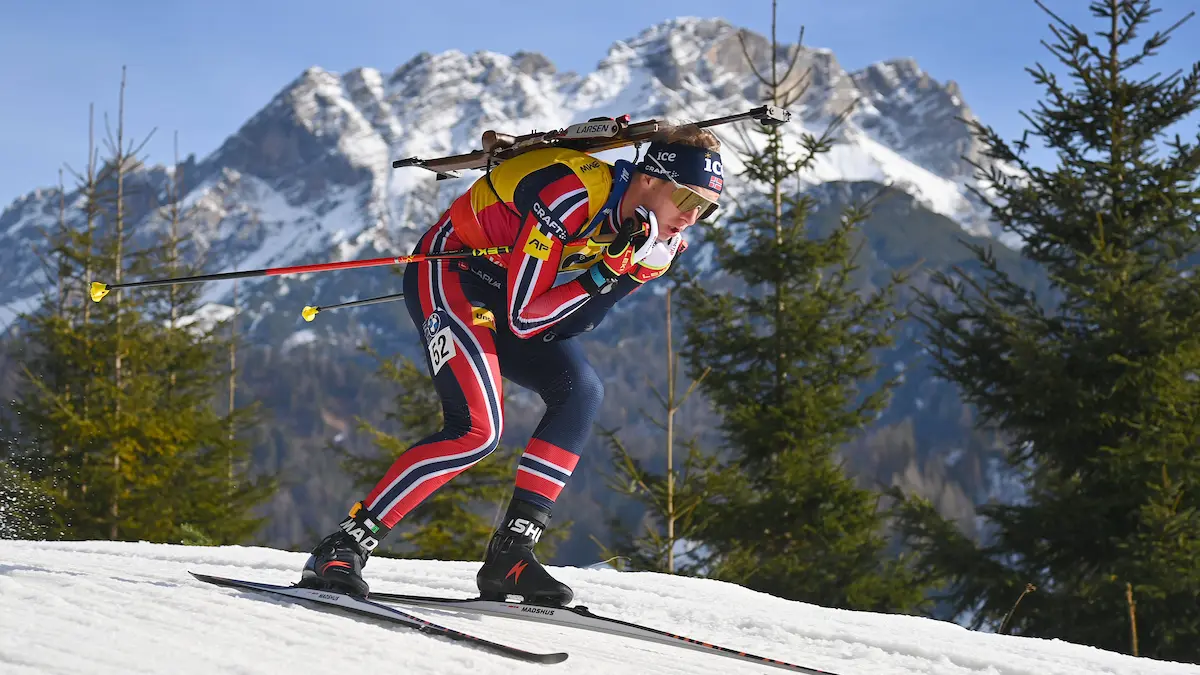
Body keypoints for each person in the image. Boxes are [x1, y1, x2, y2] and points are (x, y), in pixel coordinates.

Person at [296, 122, 725, 605]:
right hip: (452, 270)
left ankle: (511, 555)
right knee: (476, 431)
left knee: (581, 392)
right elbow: (524, 319)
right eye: (688, 201)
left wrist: (623, 271)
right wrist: (608, 269)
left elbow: (569, 325)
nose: (692, 219)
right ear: (649, 179)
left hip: (519, 294)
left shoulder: (659, 244)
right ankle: (344, 544)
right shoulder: (573, 193)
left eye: (706, 209)